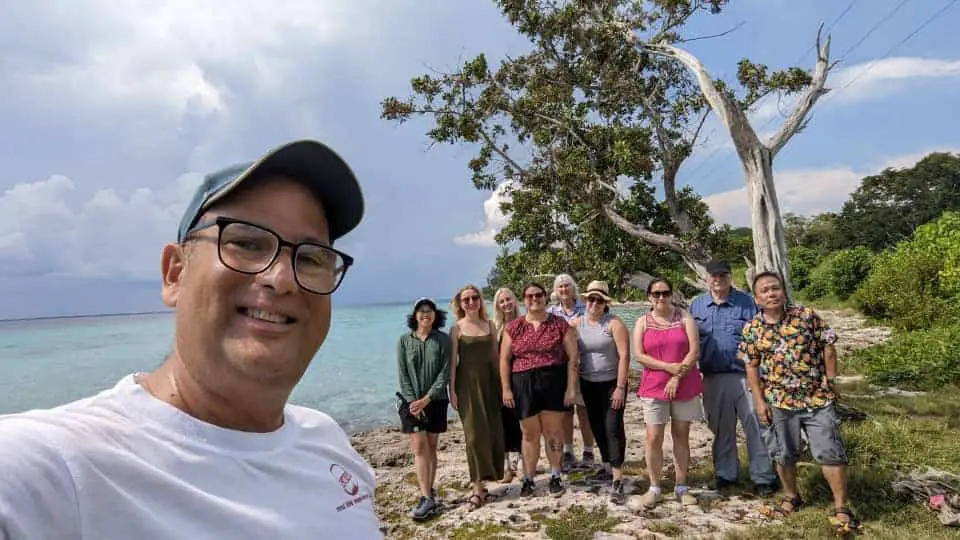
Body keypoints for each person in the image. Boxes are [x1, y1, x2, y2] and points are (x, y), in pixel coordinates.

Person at [0, 139, 383, 538]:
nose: (282, 278)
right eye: (247, 242)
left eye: (310, 257)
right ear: (175, 273)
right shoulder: (57, 470)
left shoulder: (327, 443)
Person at [738, 272, 861, 534]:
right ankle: (791, 496)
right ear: (756, 298)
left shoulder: (806, 316)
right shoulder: (752, 328)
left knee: (830, 451)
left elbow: (828, 344)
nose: (771, 294)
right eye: (765, 291)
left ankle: (841, 507)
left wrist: (831, 378)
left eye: (775, 288)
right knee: (783, 454)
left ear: (783, 290)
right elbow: (751, 367)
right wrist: (759, 402)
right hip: (779, 401)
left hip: (816, 398)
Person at [689, 259, 778, 496]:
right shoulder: (696, 305)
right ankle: (726, 475)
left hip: (747, 375)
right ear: (706, 278)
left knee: (756, 426)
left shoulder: (747, 302)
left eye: (722, 274)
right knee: (721, 429)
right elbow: (689, 342)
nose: (718, 279)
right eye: (713, 275)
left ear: (730, 276)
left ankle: (763, 478)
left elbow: (763, 334)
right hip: (712, 377)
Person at [500, 282, 578, 498]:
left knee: (553, 431)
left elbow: (573, 357)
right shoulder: (514, 326)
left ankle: (555, 475)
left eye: (538, 295)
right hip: (523, 384)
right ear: (524, 300)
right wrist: (506, 389)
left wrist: (571, 388)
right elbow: (504, 360)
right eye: (529, 296)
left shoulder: (560, 324)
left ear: (545, 297)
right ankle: (528, 478)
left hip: (553, 381)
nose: (534, 299)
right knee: (529, 434)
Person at [632, 278, 703, 509]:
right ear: (649, 296)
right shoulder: (643, 321)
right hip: (653, 386)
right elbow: (639, 355)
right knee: (653, 437)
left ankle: (682, 487)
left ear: (671, 294)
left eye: (665, 293)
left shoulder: (685, 318)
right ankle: (654, 487)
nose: (660, 297)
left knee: (681, 434)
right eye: (656, 293)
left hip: (684, 383)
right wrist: (667, 368)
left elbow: (694, 351)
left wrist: (676, 376)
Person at [449, 285, 505, 510]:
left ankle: (487, 480)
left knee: (493, 430)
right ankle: (476, 487)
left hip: (491, 383)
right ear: (460, 304)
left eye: (474, 298)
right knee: (472, 436)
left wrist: (504, 386)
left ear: (480, 301)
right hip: (467, 386)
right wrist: (451, 389)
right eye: (466, 300)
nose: (471, 302)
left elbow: (496, 357)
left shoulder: (489, 325)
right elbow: (453, 362)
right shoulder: (456, 329)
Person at [575, 281, 631, 505]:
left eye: (599, 300)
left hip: (611, 384)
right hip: (588, 383)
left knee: (613, 428)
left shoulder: (614, 323)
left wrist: (620, 387)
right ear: (585, 301)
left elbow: (625, 356)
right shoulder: (577, 323)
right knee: (597, 427)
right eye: (591, 299)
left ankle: (618, 478)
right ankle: (607, 466)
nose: (594, 303)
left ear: (605, 303)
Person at [396, 297, 451, 522]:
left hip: (436, 401)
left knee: (431, 445)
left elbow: (445, 373)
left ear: (436, 316)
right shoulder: (403, 340)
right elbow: (403, 375)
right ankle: (426, 497)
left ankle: (429, 489)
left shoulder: (444, 340)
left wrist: (427, 399)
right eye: (421, 310)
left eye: (429, 311)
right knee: (419, 446)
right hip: (410, 402)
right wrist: (413, 402)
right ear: (415, 315)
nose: (425, 314)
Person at [548, 273, 595, 471]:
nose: (564, 290)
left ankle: (588, 449)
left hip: (584, 366)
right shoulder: (551, 312)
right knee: (566, 412)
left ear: (572, 288)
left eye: (567, 286)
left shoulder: (585, 309)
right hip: (561, 368)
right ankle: (568, 450)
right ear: (556, 291)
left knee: (584, 412)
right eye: (560, 287)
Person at [492, 287, 524, 482]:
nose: (506, 304)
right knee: (502, 421)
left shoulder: (524, 323)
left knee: (521, 421)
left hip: (521, 377)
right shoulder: (493, 327)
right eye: (501, 301)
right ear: (497, 305)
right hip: (500, 379)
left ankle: (519, 462)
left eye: (508, 299)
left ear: (515, 300)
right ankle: (505, 466)